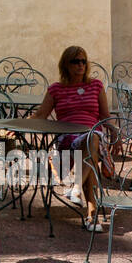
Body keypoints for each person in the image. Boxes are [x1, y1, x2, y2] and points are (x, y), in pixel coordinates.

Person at [31, 45, 110, 232]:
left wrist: (116, 134)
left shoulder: (96, 86)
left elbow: (105, 116)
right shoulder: (56, 89)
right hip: (67, 138)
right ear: (66, 65)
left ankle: (76, 190)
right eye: (75, 61)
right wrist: (15, 126)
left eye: (83, 61)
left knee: (91, 139)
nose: (80, 65)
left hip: (92, 135)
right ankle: (91, 217)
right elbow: (40, 114)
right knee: (90, 156)